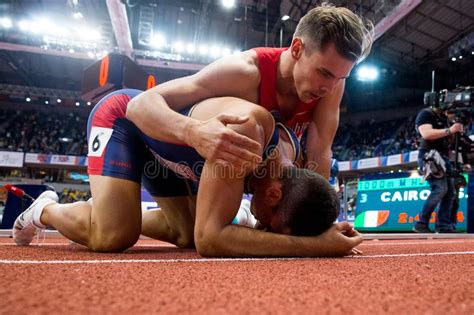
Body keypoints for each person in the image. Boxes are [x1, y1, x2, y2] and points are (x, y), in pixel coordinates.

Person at [13, 89, 362, 257]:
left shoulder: (288, 172)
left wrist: (319, 225)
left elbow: (303, 196)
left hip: (168, 155)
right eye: (271, 223)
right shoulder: (247, 140)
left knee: (186, 235)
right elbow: (211, 242)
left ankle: (108, 209)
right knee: (113, 238)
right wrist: (313, 246)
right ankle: (43, 209)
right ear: (272, 195)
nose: (265, 227)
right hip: (124, 119)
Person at [125, 3, 374, 180]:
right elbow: (139, 104)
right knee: (113, 234)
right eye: (325, 73)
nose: (330, 88)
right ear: (297, 49)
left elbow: (319, 154)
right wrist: (194, 133)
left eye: (341, 78)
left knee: (184, 235)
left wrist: (317, 220)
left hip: (206, 168)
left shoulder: (332, 85)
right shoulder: (244, 71)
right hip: (161, 146)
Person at [413, 104, 463, 233]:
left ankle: (443, 226)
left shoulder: (444, 118)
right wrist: (450, 130)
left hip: (443, 157)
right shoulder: (426, 113)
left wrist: (455, 133)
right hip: (429, 155)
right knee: (440, 188)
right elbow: (426, 134)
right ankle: (421, 223)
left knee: (450, 192)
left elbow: (448, 142)